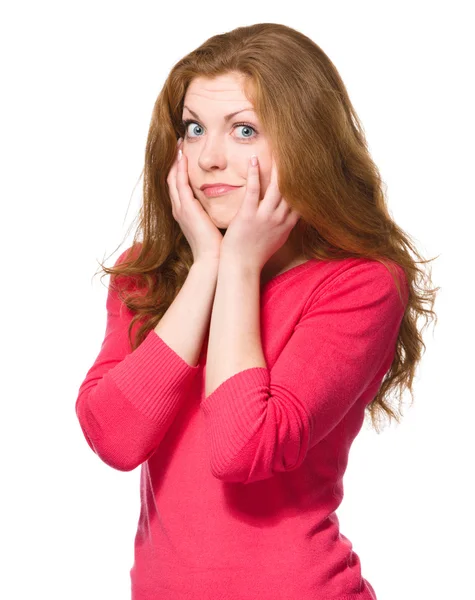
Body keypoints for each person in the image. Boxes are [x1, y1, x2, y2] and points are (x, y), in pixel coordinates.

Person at [75, 23, 439, 600]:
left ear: (305, 143)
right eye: (194, 129)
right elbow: (115, 438)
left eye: (244, 130)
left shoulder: (360, 283)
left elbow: (241, 448)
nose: (210, 157)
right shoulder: (145, 271)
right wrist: (206, 269)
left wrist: (240, 268)